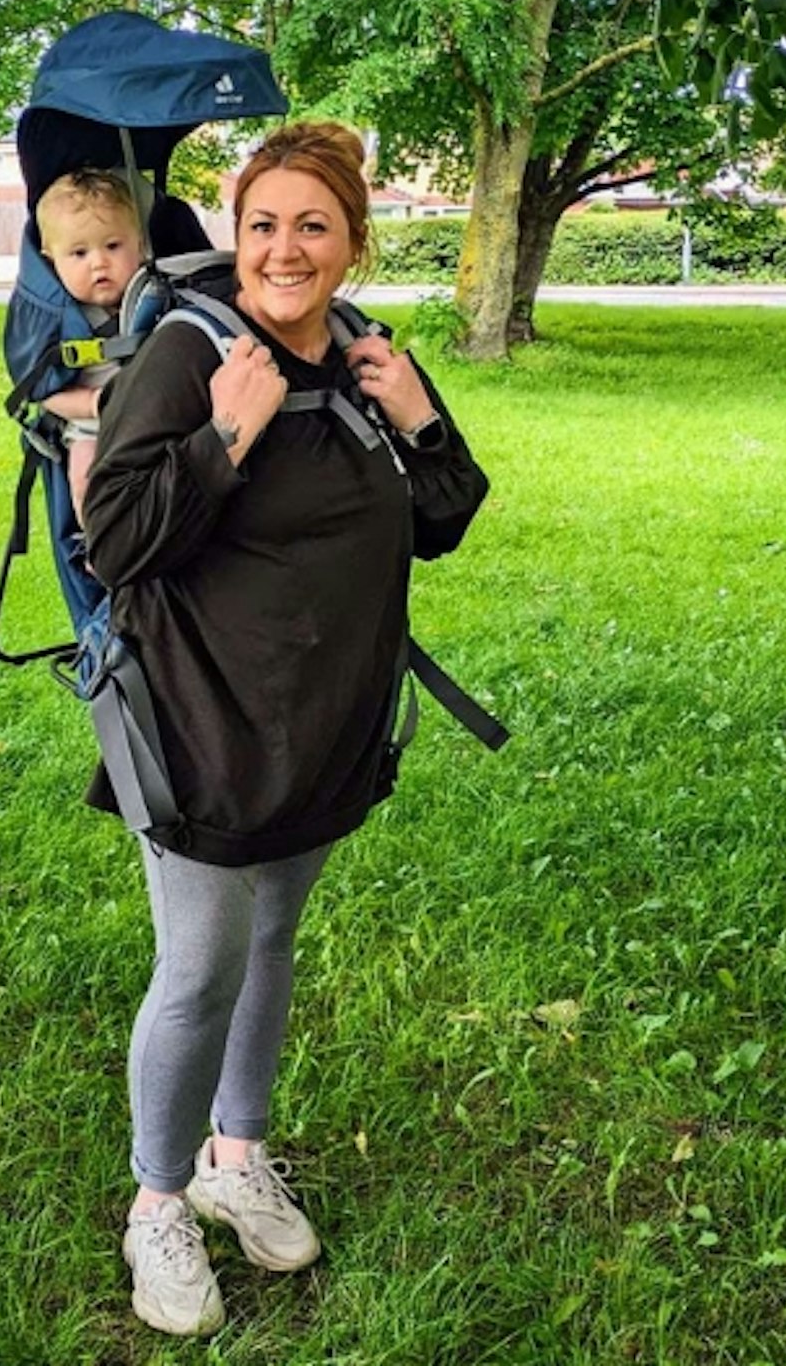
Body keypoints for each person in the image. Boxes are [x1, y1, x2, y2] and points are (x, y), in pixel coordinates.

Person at [80, 121, 491, 1337]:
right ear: (236, 235)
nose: (283, 248)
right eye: (263, 224)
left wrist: (420, 416)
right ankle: (159, 1201)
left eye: (313, 225)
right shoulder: (186, 352)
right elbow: (117, 543)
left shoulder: (370, 354)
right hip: (202, 722)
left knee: (272, 947)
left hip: (326, 721)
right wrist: (225, 435)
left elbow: (446, 515)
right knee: (201, 963)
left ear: (352, 241)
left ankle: (234, 1156)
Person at [32, 169, 146, 523]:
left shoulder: (154, 296)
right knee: (84, 479)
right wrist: (97, 404)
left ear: (140, 243)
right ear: (52, 262)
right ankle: (100, 542)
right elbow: (45, 393)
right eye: (79, 253)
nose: (99, 262)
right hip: (90, 423)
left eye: (113, 246)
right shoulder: (64, 319)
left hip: (155, 418)